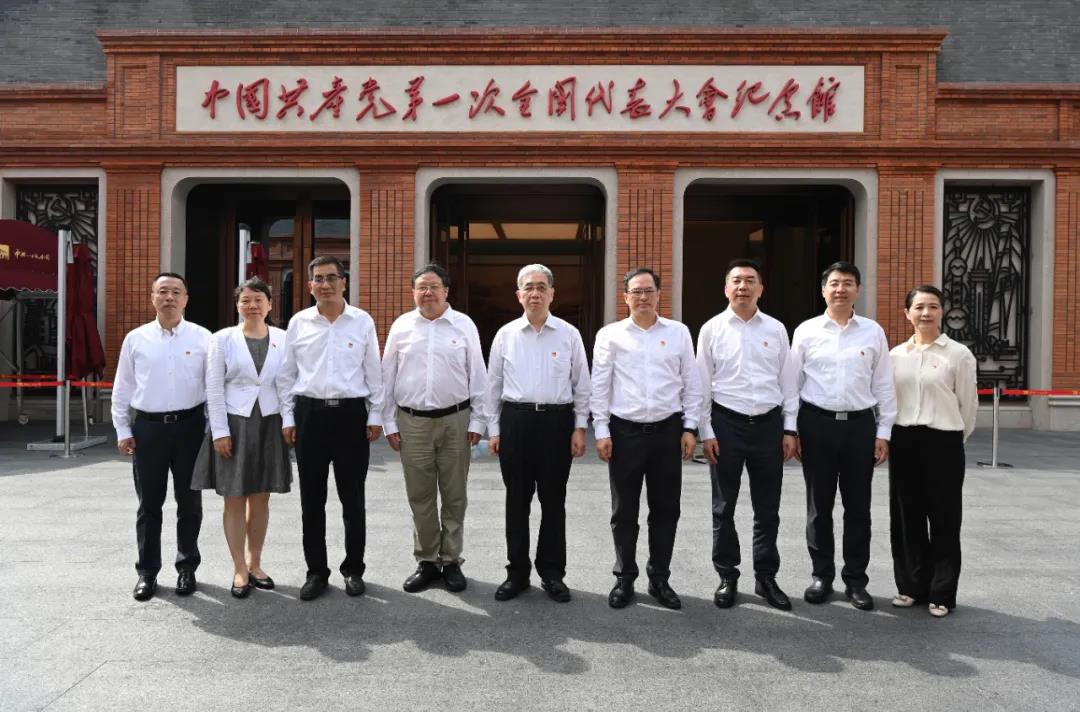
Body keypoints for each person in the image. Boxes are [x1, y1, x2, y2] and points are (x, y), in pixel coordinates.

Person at [591, 267, 703, 610]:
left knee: (666, 509)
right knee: (624, 510)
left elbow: (692, 383)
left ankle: (660, 578)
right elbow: (600, 385)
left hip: (668, 432)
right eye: (636, 291)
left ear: (658, 294)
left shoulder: (678, 333)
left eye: (648, 290)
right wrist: (601, 430)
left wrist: (690, 427)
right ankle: (624, 577)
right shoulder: (610, 335)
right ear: (625, 297)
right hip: (625, 433)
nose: (642, 297)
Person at [789, 261, 897, 611]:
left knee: (858, 508)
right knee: (818, 507)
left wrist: (884, 431)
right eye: (834, 283)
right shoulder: (806, 331)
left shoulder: (872, 332)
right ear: (823, 290)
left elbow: (883, 383)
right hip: (816, 424)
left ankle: (855, 580)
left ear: (857, 290)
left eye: (847, 283)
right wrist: (792, 428)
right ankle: (822, 576)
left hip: (859, 427)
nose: (840, 289)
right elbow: (792, 384)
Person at [277, 256, 384, 601]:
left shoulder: (362, 321)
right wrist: (288, 418)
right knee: (312, 499)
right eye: (318, 279)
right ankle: (316, 572)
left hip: (350, 416)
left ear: (344, 282)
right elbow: (286, 375)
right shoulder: (299, 323)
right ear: (310, 286)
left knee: (353, 498)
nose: (325, 284)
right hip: (310, 415)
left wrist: (376, 415)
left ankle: (354, 569)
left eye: (331, 278)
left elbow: (374, 371)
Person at [698, 259, 799, 611]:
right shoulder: (712, 329)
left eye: (750, 281)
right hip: (726, 425)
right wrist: (706, 430)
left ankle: (766, 576)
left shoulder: (775, 329)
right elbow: (701, 384)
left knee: (767, 507)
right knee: (723, 507)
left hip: (769, 426)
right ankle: (727, 575)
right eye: (736, 281)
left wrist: (789, 427)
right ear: (726, 288)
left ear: (761, 289)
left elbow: (788, 381)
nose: (743, 287)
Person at [486, 264, 590, 602]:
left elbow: (582, 384)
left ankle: (552, 573)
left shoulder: (569, 334)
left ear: (552, 294)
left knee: (553, 501)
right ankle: (516, 573)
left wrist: (579, 427)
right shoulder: (506, 335)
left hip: (556, 425)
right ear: (519, 295)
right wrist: (494, 429)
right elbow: (493, 385)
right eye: (528, 287)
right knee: (516, 502)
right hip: (516, 422)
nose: (535, 293)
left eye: (541, 287)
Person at [382, 262, 487, 594]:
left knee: (455, 494)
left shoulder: (464, 325)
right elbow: (387, 375)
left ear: (446, 291)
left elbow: (478, 374)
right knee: (420, 495)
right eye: (421, 287)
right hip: (412, 422)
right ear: (413, 292)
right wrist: (387, 421)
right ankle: (427, 560)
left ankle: (451, 560)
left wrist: (479, 419)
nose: (427, 293)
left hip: (456, 420)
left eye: (434, 287)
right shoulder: (402, 326)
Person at [112, 272, 211, 601]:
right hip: (148, 429)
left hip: (190, 427)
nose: (170, 297)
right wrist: (122, 429)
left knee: (190, 502)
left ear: (186, 299)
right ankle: (147, 572)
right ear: (152, 297)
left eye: (176, 292)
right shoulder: (136, 339)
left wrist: (212, 429)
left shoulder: (202, 338)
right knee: (149, 504)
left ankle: (187, 567)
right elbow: (123, 388)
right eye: (163, 291)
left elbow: (213, 387)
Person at [191, 277, 292, 599]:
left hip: (271, 421)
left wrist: (289, 421)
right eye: (246, 300)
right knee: (234, 496)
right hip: (234, 423)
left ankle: (255, 563)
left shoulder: (283, 338)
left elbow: (288, 383)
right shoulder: (222, 339)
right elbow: (213, 386)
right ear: (237, 305)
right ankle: (238, 568)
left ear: (270, 305)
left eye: (259, 300)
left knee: (261, 496)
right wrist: (219, 431)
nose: (252, 305)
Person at [889, 284, 978, 618]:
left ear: (942, 312)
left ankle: (942, 591)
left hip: (944, 442)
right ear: (907, 313)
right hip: (904, 440)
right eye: (919, 307)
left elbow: (968, 405)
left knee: (944, 518)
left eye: (933, 306)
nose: (926, 313)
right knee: (906, 518)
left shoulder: (958, 354)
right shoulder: (896, 355)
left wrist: (953, 437)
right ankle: (911, 586)